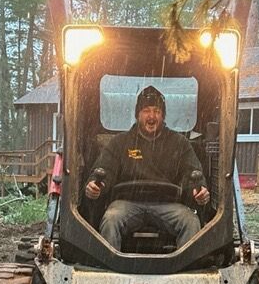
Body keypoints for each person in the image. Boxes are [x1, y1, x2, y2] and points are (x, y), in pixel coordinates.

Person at [85, 85, 210, 250]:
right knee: (111, 219)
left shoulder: (179, 143)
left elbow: (192, 173)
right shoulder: (120, 143)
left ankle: (187, 270)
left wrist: (199, 191)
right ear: (137, 114)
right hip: (127, 204)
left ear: (163, 115)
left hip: (167, 204)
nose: (151, 116)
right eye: (146, 110)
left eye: (157, 111)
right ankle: (109, 270)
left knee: (190, 221)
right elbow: (104, 170)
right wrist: (95, 186)